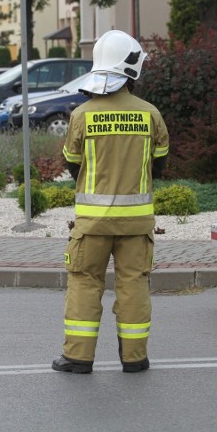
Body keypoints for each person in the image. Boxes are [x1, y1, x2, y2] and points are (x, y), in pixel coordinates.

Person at [52, 30, 169, 375]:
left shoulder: (82, 115)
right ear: (133, 68)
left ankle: (78, 357)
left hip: (92, 224)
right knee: (133, 285)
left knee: (85, 284)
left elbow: (72, 164)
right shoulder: (150, 114)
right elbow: (159, 164)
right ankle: (135, 358)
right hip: (137, 224)